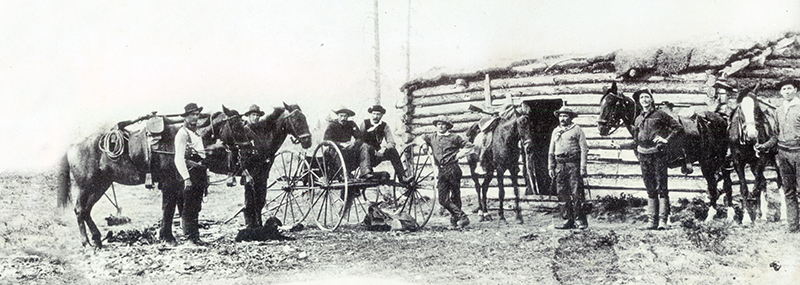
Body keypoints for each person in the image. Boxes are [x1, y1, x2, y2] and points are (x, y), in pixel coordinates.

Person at [632, 89, 684, 230]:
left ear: (651, 99)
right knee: (649, 186)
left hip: (658, 154)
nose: (644, 100)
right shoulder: (638, 119)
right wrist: (620, 145)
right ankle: (651, 221)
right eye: (642, 97)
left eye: (647, 97)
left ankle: (663, 220)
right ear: (639, 101)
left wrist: (666, 140)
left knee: (661, 185)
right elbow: (636, 140)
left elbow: (678, 128)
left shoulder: (660, 114)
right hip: (643, 155)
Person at [161, 102, 209, 245]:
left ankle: (195, 236)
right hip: (190, 173)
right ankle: (189, 237)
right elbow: (179, 158)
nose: (195, 117)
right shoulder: (182, 134)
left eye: (197, 115)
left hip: (199, 171)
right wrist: (186, 178)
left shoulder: (196, 133)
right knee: (189, 207)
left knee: (196, 206)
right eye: (192, 115)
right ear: (186, 117)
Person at [758, 78, 800, 232]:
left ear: (795, 90)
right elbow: (775, 135)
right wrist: (763, 146)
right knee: (789, 191)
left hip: (798, 153)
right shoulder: (779, 110)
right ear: (781, 92)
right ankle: (793, 226)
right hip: (782, 154)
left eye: (789, 88)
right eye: (784, 89)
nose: (787, 92)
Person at [417, 115, 471, 229]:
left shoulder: (454, 137)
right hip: (441, 170)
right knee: (442, 199)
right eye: (438, 124)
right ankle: (462, 216)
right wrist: (424, 145)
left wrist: (458, 155)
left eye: (443, 124)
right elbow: (419, 138)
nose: (441, 126)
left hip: (453, 168)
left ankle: (455, 221)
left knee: (455, 195)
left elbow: (469, 146)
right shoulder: (432, 137)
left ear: (448, 126)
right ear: (436, 126)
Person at [548, 107, 589, 229]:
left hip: (573, 164)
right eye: (561, 116)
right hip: (560, 165)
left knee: (576, 193)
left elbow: (584, 149)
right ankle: (567, 220)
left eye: (565, 116)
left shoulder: (577, 130)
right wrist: (551, 167)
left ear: (570, 117)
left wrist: (583, 167)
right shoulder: (555, 131)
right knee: (562, 193)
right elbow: (551, 151)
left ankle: (579, 220)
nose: (562, 119)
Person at [358, 105, 410, 183]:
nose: (375, 116)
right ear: (371, 114)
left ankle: (402, 177)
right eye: (374, 114)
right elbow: (359, 140)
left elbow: (391, 142)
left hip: (377, 154)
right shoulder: (365, 123)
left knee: (392, 150)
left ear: (382, 115)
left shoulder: (384, 126)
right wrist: (370, 149)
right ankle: (366, 173)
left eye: (378, 114)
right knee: (365, 147)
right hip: (364, 155)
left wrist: (384, 148)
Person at [323, 106, 375, 179]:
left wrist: (353, 144)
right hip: (334, 151)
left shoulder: (351, 124)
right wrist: (340, 144)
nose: (343, 118)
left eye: (345, 116)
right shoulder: (332, 125)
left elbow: (360, 137)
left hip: (347, 151)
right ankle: (344, 174)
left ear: (348, 117)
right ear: (337, 116)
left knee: (364, 146)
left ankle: (365, 171)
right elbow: (325, 141)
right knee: (333, 151)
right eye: (341, 116)